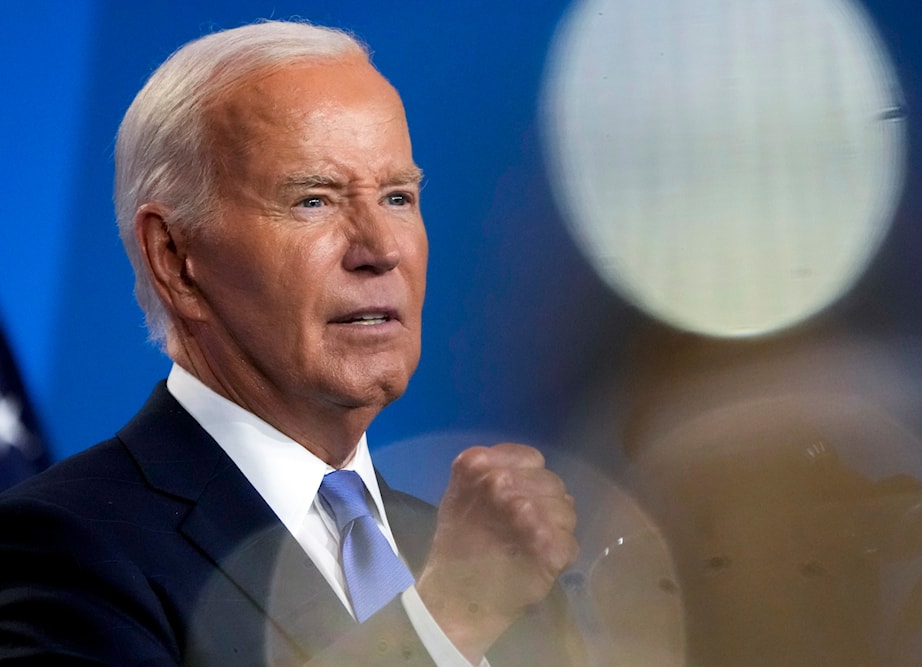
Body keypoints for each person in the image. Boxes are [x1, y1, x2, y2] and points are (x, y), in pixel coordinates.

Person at [0, 20, 580, 666]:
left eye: (397, 196)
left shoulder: (496, 564)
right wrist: (446, 617)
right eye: (313, 201)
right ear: (174, 255)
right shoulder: (64, 547)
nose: (380, 249)